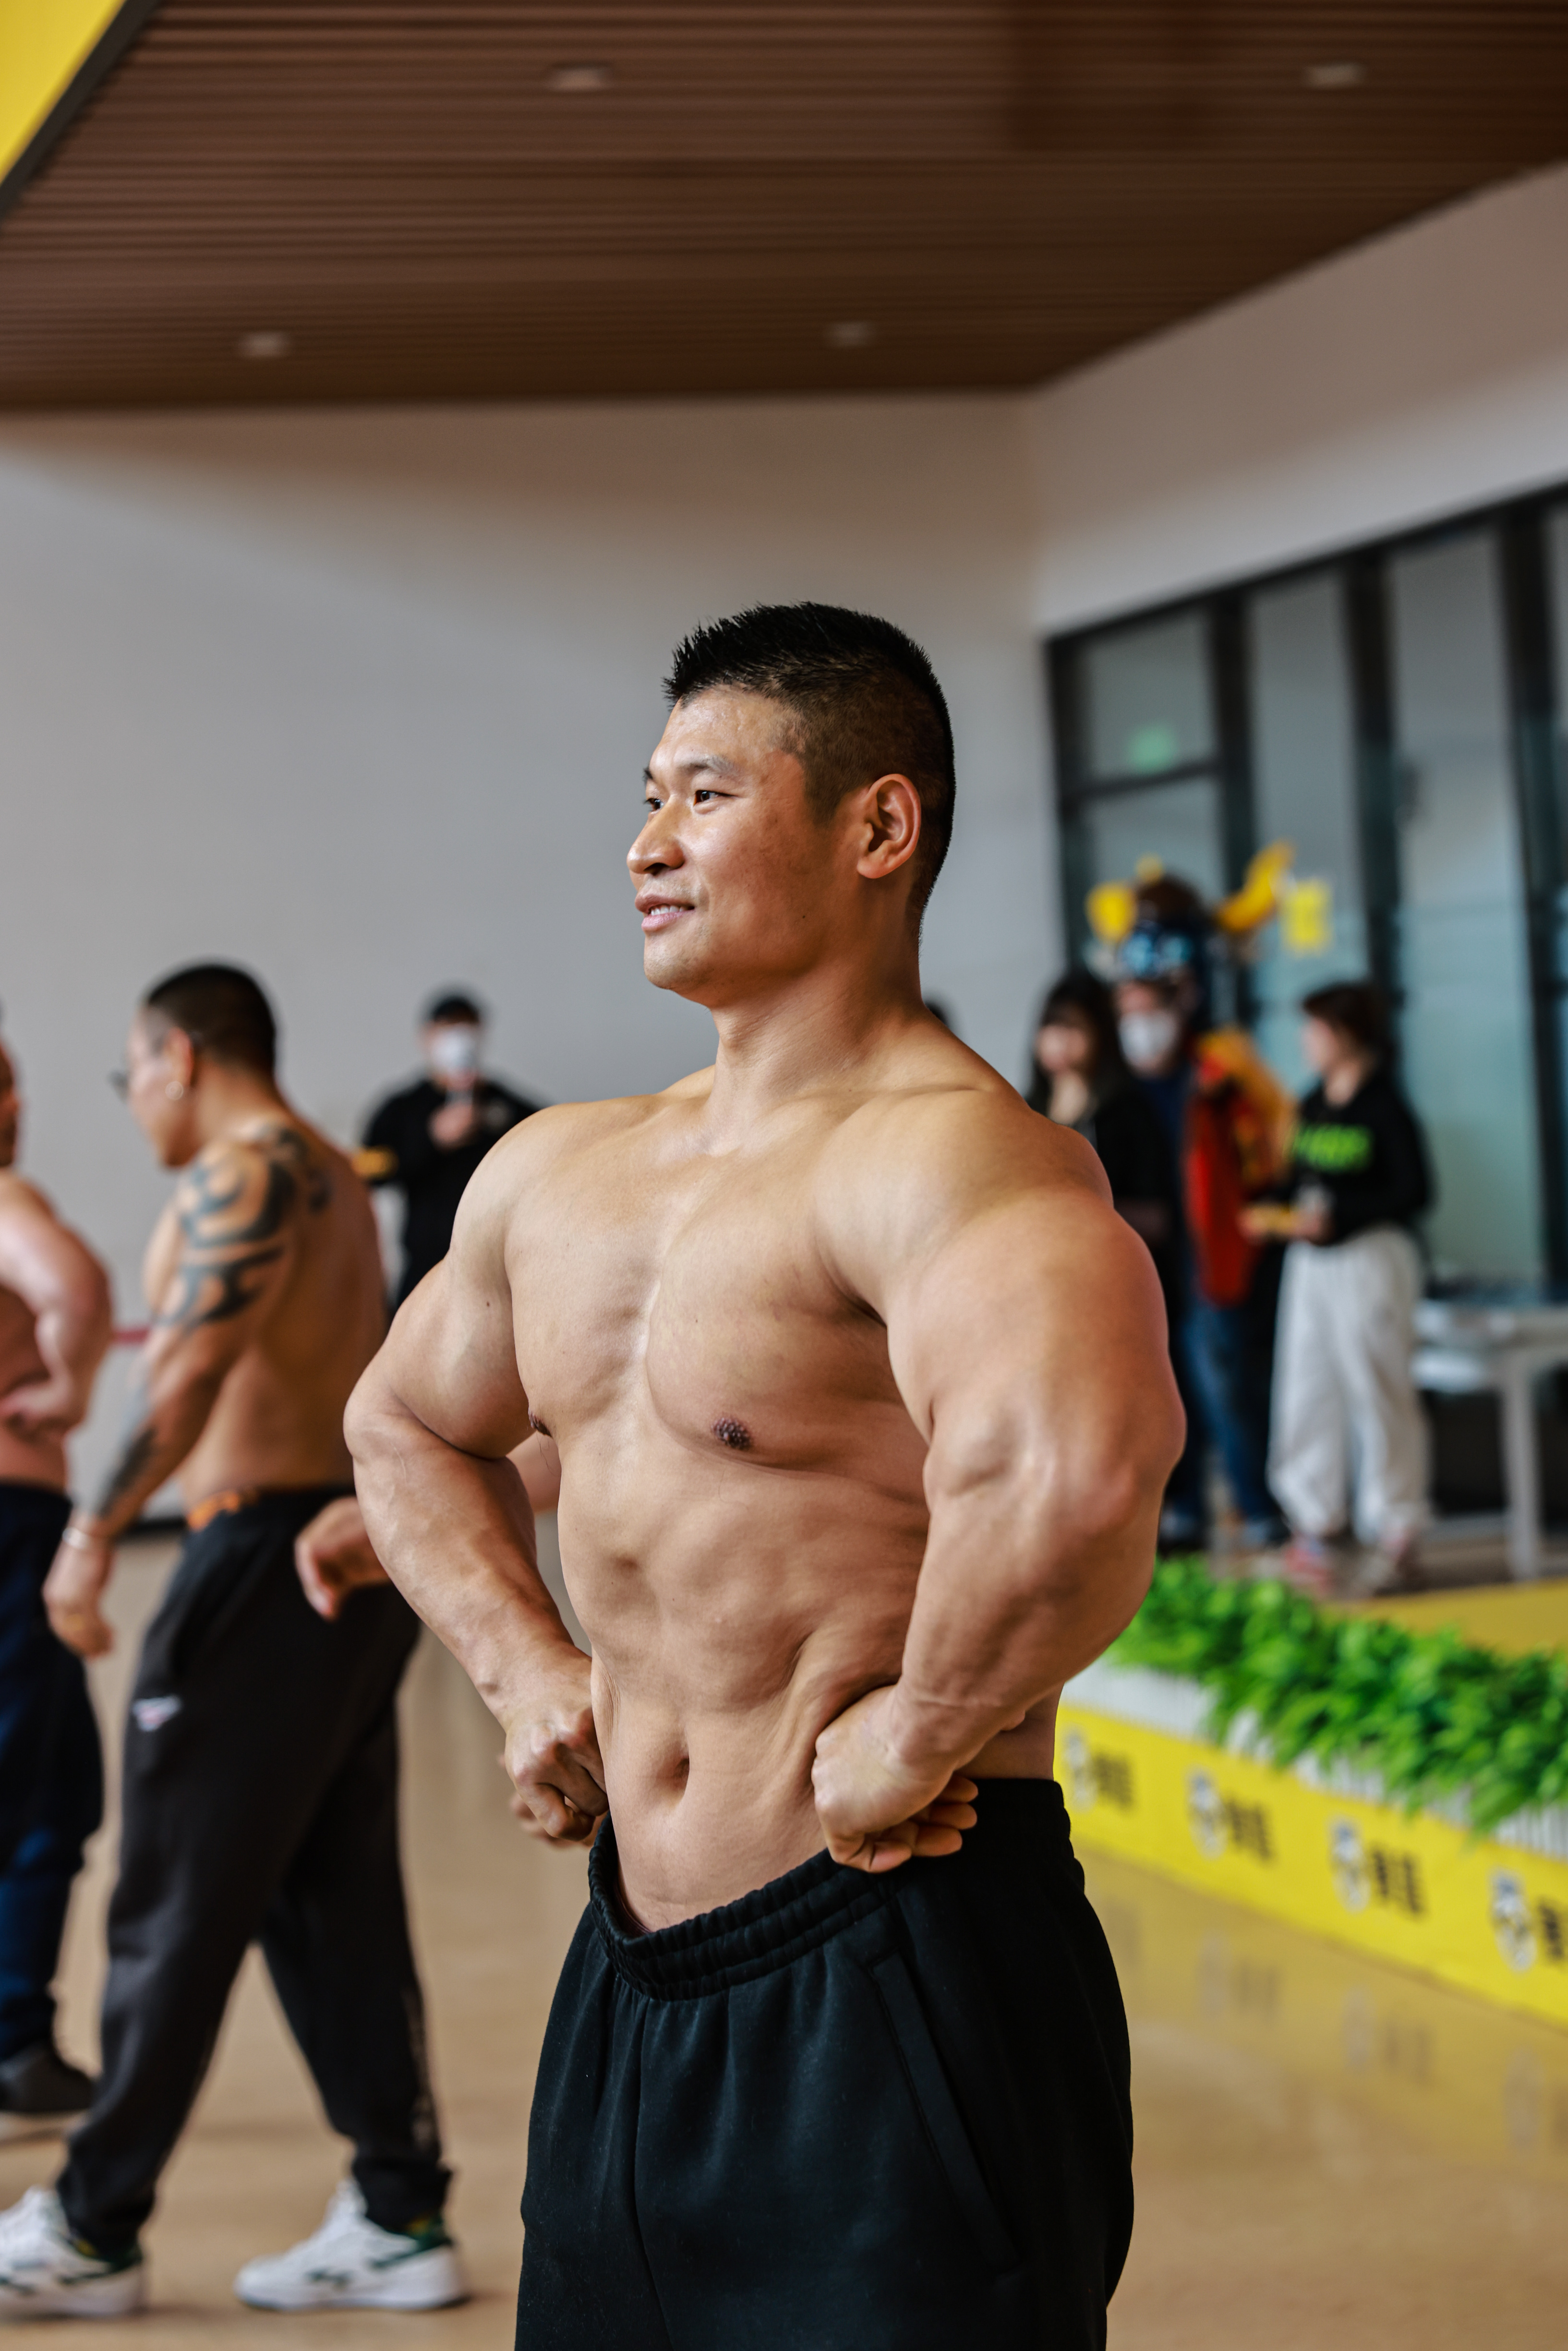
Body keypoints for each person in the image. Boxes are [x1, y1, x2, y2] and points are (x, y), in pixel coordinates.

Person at [348, 603, 1183, 2350]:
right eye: (646, 799)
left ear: (876, 826)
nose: (646, 846)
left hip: (894, 1954)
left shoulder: (957, 1164)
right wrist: (526, 1673)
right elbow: (404, 1427)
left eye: (704, 795)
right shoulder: (558, 1170)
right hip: (627, 1967)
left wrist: (915, 1730)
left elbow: (1074, 1479)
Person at [0, 964, 463, 2321]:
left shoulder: (246, 1172)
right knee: (330, 1896)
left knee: (172, 1892)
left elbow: (192, 1367)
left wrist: (92, 1534)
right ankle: (399, 2208)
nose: (136, 1102)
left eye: (133, 1075)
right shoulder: (330, 1172)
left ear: (180, 1057)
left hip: (258, 1556)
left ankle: (93, 2225)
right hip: (340, 1556)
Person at [0, 1029, 111, 2137]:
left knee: (53, 1782)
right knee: (28, 1786)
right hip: (9, 1520)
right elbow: (72, 1286)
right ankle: (12, 2039)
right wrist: (68, 1389)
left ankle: (15, 2035)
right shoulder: (2, 1196)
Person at [1111, 875, 1291, 1553]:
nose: (1137, 1014)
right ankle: (1182, 1507)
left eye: (1149, 999)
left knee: (1225, 1384)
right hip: (1147, 1260)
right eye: (1127, 1002)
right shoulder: (1119, 1081)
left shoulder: (1219, 1069)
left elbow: (1270, 1143)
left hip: (1212, 1252)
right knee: (1164, 1389)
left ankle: (1257, 1506)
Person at [1242, 981, 1434, 1594]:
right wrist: (1267, 1209)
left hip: (1369, 1259)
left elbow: (1413, 1190)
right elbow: (1296, 1178)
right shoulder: (1311, 1103)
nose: (1307, 1040)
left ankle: (1396, 1532)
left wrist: (1340, 1215)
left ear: (1347, 1033)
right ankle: (1313, 1527)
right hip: (1310, 1265)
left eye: (1316, 1027)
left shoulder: (1384, 1106)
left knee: (1377, 1389)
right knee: (1305, 1388)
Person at [358, 991, 539, 1306]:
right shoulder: (404, 1108)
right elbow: (368, 1169)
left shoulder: (504, 1104)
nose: (459, 1038)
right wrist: (431, 1139)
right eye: (449, 1027)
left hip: (494, 1272)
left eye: (467, 1027)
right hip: (425, 1269)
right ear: (427, 1036)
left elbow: (552, 1143)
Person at [1028, 969, 1179, 1270]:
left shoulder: (1128, 1111)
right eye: (1052, 1024)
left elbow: (1158, 1218)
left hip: (1118, 1273)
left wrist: (1078, 1212)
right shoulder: (1026, 1112)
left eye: (1073, 1025)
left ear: (1100, 1032)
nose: (1059, 1038)